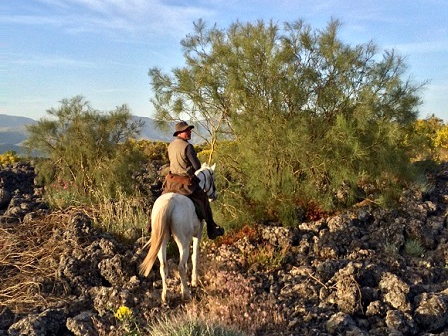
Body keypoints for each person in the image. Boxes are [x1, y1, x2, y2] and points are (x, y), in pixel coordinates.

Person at [162, 121, 225, 239]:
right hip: (185, 184)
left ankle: (150, 226)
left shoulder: (170, 145)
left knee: (161, 198)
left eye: (189, 130)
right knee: (204, 198)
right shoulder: (188, 146)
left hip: (171, 183)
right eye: (187, 130)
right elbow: (197, 166)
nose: (189, 132)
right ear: (180, 133)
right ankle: (212, 230)